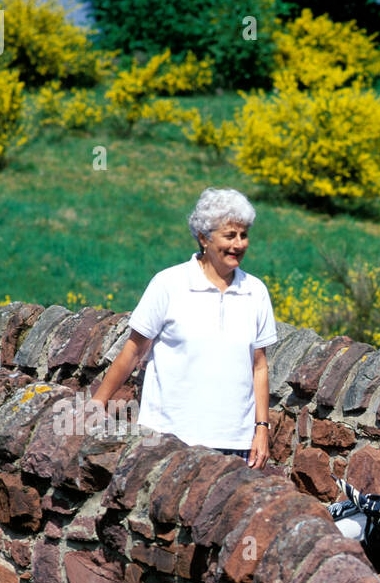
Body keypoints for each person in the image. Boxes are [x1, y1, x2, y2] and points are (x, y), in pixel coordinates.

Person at [89, 187, 277, 466]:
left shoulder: (256, 292)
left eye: (244, 235)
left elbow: (259, 365)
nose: (239, 244)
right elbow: (133, 351)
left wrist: (261, 428)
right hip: (170, 438)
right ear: (204, 238)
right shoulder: (169, 284)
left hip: (234, 442)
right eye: (230, 236)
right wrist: (98, 403)